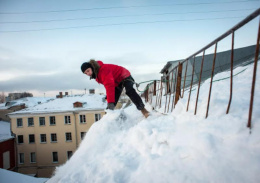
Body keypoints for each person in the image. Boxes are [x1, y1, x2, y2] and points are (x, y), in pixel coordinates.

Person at [81, 59, 150, 118]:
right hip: (116, 82)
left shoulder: (103, 70)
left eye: (88, 70)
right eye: (85, 73)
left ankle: (144, 110)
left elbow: (109, 85)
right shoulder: (96, 75)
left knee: (129, 91)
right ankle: (108, 117)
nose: (88, 73)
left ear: (92, 67)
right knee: (112, 99)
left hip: (124, 76)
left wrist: (110, 102)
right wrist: (109, 99)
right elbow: (109, 85)